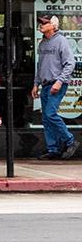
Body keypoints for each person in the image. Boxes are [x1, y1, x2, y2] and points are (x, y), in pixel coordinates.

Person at [31, 14, 77, 160]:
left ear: (53, 26)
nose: (41, 25)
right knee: (46, 118)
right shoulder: (42, 43)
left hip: (57, 84)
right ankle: (53, 149)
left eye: (45, 23)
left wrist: (59, 81)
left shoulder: (61, 41)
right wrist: (36, 84)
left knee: (50, 114)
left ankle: (70, 141)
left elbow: (70, 63)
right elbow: (40, 66)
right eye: (41, 23)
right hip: (45, 84)